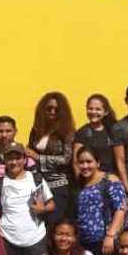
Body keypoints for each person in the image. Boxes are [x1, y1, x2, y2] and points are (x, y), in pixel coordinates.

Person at [74, 145, 127, 255]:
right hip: (84, 243)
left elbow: (120, 210)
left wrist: (110, 235)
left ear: (97, 163)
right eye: (81, 162)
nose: (85, 166)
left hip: (104, 242)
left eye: (89, 161)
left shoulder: (109, 180)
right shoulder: (79, 183)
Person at [28, 92, 75, 226]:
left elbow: (67, 158)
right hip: (38, 185)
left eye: (57, 109)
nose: (52, 112)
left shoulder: (67, 132)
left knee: (54, 225)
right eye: (49, 108)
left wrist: (39, 158)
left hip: (58, 185)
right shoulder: (36, 130)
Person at [72, 93, 116, 175]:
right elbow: (76, 162)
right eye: (90, 109)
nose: (93, 112)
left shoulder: (111, 131)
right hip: (91, 180)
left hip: (110, 178)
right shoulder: (82, 133)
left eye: (98, 109)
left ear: (105, 112)